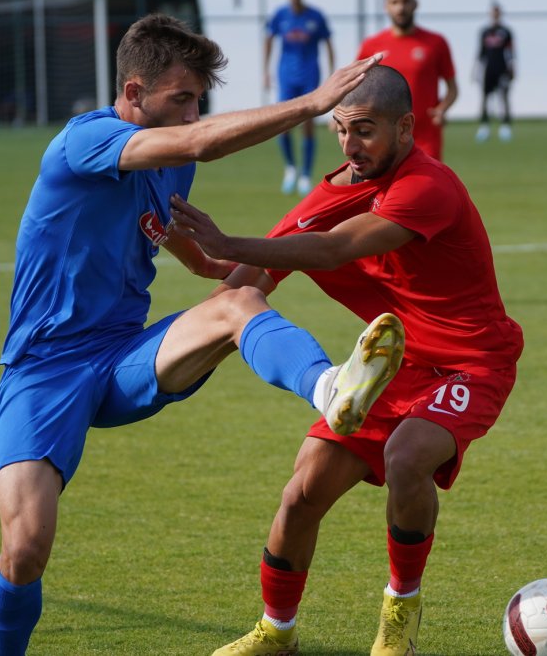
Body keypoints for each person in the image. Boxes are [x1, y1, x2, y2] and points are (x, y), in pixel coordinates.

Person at [0, 14, 403, 656]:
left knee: (238, 301)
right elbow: (199, 144)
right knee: (25, 550)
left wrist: (210, 264)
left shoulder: (169, 168)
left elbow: (164, 225)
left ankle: (330, 389)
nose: (191, 113)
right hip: (44, 371)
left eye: (198, 101)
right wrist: (315, 103)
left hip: (124, 357)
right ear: (132, 92)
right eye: (180, 98)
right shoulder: (85, 141)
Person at [171, 65, 524, 656]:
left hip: (472, 363)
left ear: (406, 127)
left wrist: (226, 242)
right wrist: (191, 343)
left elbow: (332, 248)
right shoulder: (338, 188)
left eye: (364, 131)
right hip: (393, 365)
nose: (349, 145)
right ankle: (274, 633)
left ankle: (400, 614)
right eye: (340, 130)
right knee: (301, 492)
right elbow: (254, 277)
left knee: (406, 454)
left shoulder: (428, 187)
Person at [356, 0, 457, 161]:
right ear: (386, 6)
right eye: (394, 2)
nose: (400, 8)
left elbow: (452, 89)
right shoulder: (371, 46)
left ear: (415, 3)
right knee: (388, 190)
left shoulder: (435, 43)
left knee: (426, 189)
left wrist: (442, 109)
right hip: (385, 139)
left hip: (426, 138)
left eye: (405, 1)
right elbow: (355, 87)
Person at [264, 0, 334, 195]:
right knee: (282, 123)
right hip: (286, 76)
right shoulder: (280, 15)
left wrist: (332, 72)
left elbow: (328, 43)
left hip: (310, 75)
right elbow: (268, 39)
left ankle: (305, 174)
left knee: (308, 124)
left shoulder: (316, 16)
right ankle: (290, 167)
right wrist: (265, 71)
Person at [476, 4, 516, 143]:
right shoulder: (485, 32)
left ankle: (505, 126)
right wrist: (476, 71)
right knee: (485, 98)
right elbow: (480, 53)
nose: (495, 15)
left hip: (502, 68)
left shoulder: (506, 32)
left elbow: (511, 51)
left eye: (497, 12)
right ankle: (484, 126)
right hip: (488, 69)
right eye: (493, 12)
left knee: (503, 96)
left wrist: (512, 68)